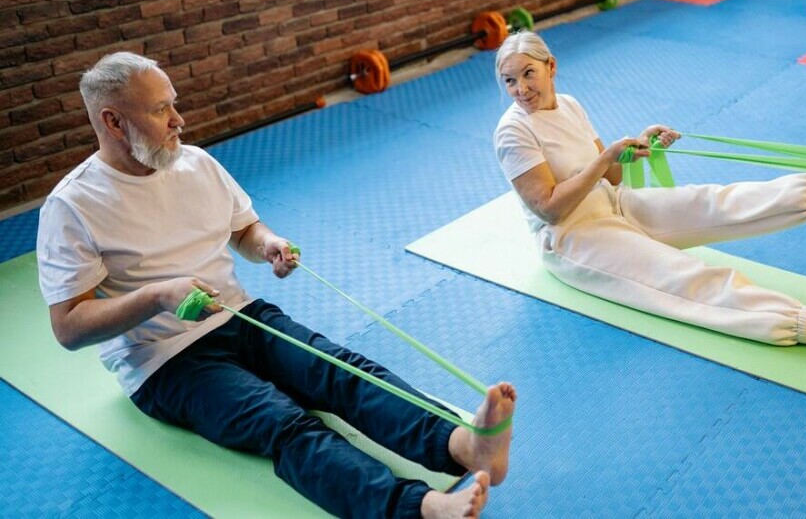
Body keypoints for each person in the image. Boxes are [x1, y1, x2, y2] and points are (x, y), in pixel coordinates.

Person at [37, 52, 515, 519]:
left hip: (239, 315)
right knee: (283, 424)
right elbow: (69, 326)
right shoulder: (72, 206)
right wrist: (159, 295)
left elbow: (244, 229)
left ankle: (464, 445)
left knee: (341, 371)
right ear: (114, 122)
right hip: (164, 362)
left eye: (173, 102)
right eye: (161, 109)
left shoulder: (195, 163)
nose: (178, 119)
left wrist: (268, 243)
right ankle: (420, 508)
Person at [492, 31, 806, 356]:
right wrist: (604, 162)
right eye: (509, 81)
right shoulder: (513, 131)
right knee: (685, 275)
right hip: (571, 238)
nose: (520, 89)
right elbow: (548, 208)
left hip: (610, 203)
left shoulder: (568, 104)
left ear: (551, 67)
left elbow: (614, 176)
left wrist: (637, 145)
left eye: (528, 74)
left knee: (715, 201)